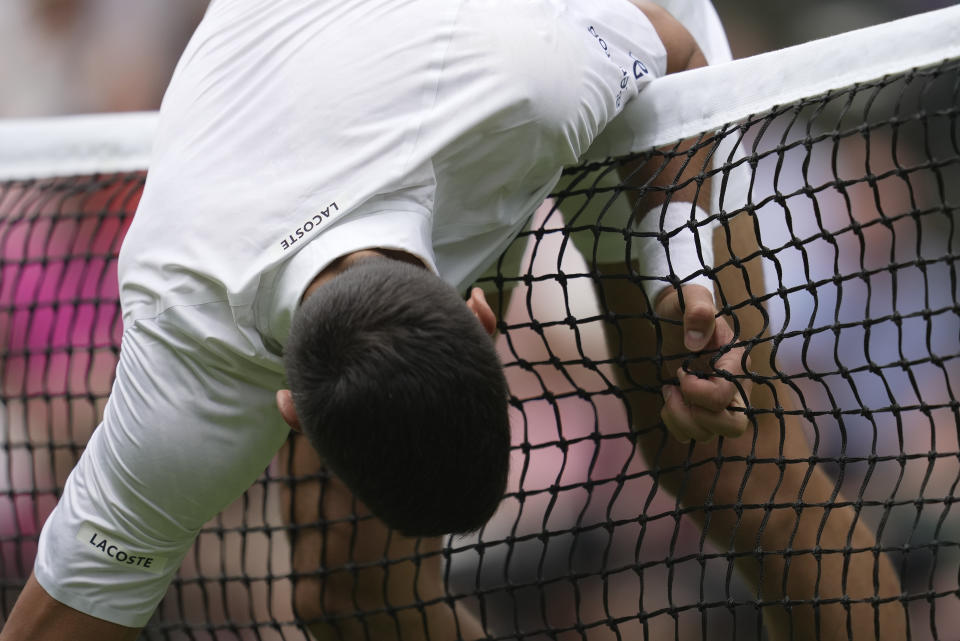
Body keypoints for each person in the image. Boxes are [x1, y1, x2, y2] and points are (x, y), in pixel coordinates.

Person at [0, 2, 901, 641]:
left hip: (586, 52)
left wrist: (681, 270)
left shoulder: (542, 76)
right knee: (352, 596)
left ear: (478, 315)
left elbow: (670, 43)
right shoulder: (180, 363)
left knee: (733, 464)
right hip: (423, 101)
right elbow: (64, 607)